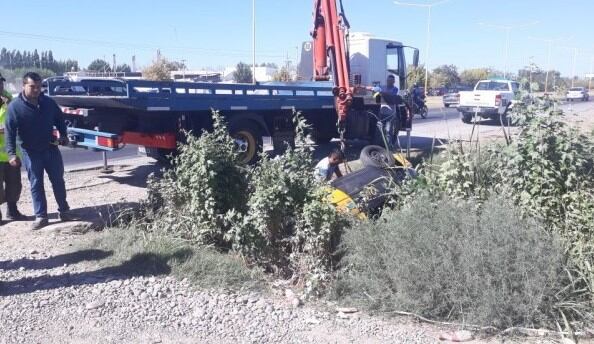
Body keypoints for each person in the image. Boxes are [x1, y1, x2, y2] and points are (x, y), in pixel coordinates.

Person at [5, 72, 73, 230]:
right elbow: (10, 132)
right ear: (24, 86)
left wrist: (63, 134)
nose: (36, 90)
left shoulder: (48, 102)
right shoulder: (15, 107)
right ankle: (41, 216)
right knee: (36, 184)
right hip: (31, 152)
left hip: (51, 149)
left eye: (39, 86)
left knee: (58, 181)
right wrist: (11, 154)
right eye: (32, 87)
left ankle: (64, 211)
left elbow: (59, 118)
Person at [0, 74, 26, 224]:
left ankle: (12, 210)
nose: (0, 87)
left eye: (1, 84)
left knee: (14, 185)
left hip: (11, 154)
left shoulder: (10, 101)